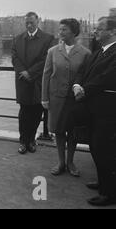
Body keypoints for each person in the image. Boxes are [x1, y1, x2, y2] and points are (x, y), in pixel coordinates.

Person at [73, 16, 116, 207]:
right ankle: (103, 182)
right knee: (96, 147)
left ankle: (109, 193)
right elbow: (86, 72)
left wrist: (85, 90)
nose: (95, 32)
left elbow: (107, 78)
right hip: (94, 109)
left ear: (112, 31)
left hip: (108, 111)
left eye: (99, 29)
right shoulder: (100, 52)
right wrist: (77, 84)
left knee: (104, 149)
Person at [41, 19, 91, 177]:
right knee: (59, 131)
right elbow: (46, 75)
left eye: (64, 30)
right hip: (56, 98)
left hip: (74, 100)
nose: (60, 32)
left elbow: (86, 77)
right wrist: (44, 98)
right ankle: (61, 162)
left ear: (73, 32)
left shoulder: (85, 53)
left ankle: (70, 162)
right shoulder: (53, 51)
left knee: (73, 131)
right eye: (60, 29)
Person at [12, 12, 55, 154]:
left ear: (38, 22)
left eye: (32, 22)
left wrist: (30, 72)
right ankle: (23, 141)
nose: (29, 25)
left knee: (37, 112)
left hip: (38, 81)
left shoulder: (48, 39)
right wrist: (23, 72)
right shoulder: (17, 39)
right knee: (24, 112)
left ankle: (31, 140)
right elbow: (14, 58)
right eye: (27, 23)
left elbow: (46, 59)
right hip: (22, 81)